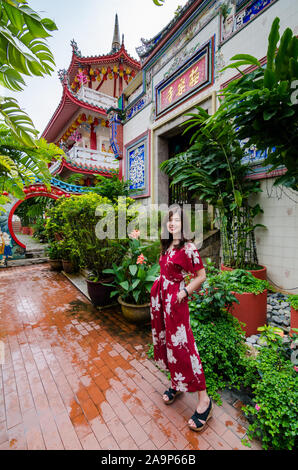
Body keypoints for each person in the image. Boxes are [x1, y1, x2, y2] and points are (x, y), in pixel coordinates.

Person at [150, 206, 212, 432]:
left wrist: (184, 292)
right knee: (169, 344)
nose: (172, 224)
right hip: (163, 301)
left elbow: (201, 276)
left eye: (176, 220)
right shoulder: (167, 246)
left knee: (185, 348)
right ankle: (176, 383)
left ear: (183, 224)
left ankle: (204, 399)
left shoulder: (188, 248)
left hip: (177, 302)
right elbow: (167, 271)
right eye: (169, 220)